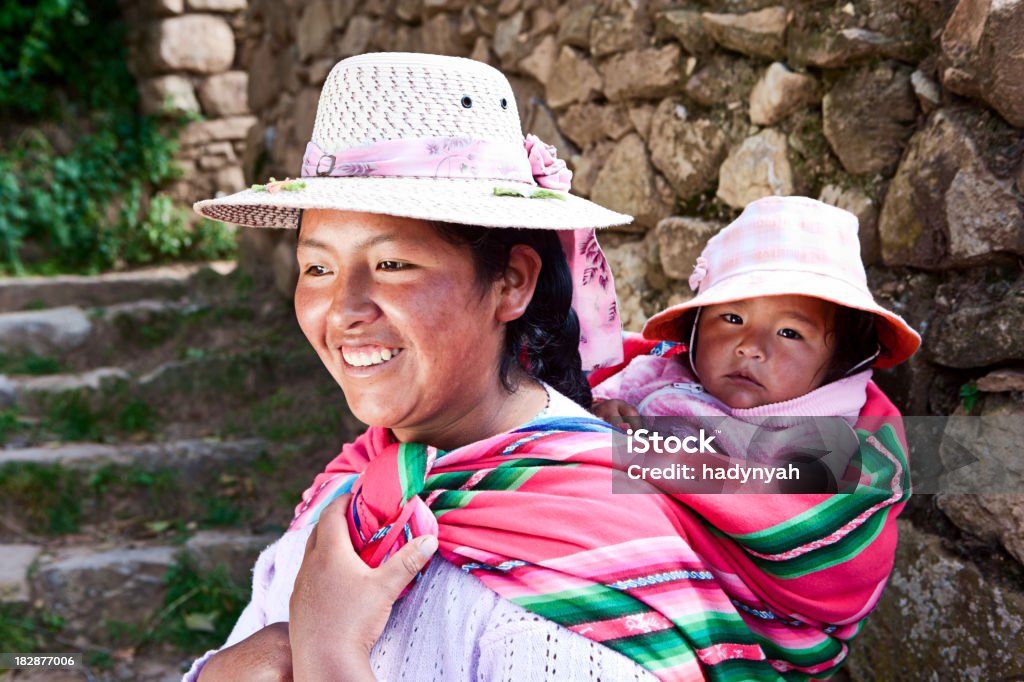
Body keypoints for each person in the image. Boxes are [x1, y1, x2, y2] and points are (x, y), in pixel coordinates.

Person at [187, 53, 915, 682]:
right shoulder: (363, 480)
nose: (343, 308)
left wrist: (326, 650)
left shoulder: (592, 572)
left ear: (512, 282)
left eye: (393, 263)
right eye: (317, 266)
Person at [591, 196, 921, 491]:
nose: (751, 347)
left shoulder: (819, 435)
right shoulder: (657, 369)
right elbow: (584, 412)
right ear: (696, 329)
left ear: (839, 362)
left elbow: (779, 508)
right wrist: (601, 411)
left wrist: (651, 457)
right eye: (733, 319)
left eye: (789, 333)